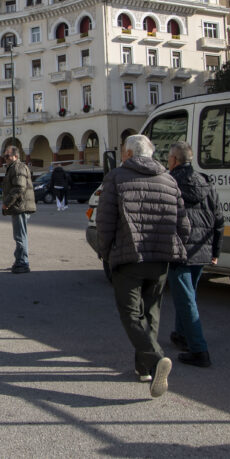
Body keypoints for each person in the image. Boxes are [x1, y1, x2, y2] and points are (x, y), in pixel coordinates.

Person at [96, 134, 189, 398]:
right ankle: (144, 369)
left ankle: (156, 358)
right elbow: (183, 223)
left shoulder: (116, 177)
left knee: (129, 313)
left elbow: (105, 221)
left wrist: (106, 251)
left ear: (127, 154)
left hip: (129, 256)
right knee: (152, 311)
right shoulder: (169, 180)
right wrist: (175, 247)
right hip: (161, 257)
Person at [166, 142, 224, 368]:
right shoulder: (206, 182)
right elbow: (219, 220)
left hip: (179, 250)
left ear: (174, 160)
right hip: (202, 249)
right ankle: (182, 335)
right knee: (187, 296)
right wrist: (216, 251)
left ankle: (199, 350)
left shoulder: (171, 183)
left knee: (186, 299)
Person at [1, 145, 36, 273]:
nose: (5, 158)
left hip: (20, 206)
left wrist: (7, 203)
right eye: (4, 156)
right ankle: (20, 261)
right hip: (20, 205)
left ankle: (22, 263)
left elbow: (19, 187)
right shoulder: (13, 167)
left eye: (7, 156)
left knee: (20, 236)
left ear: (15, 156)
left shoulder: (17, 167)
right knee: (20, 235)